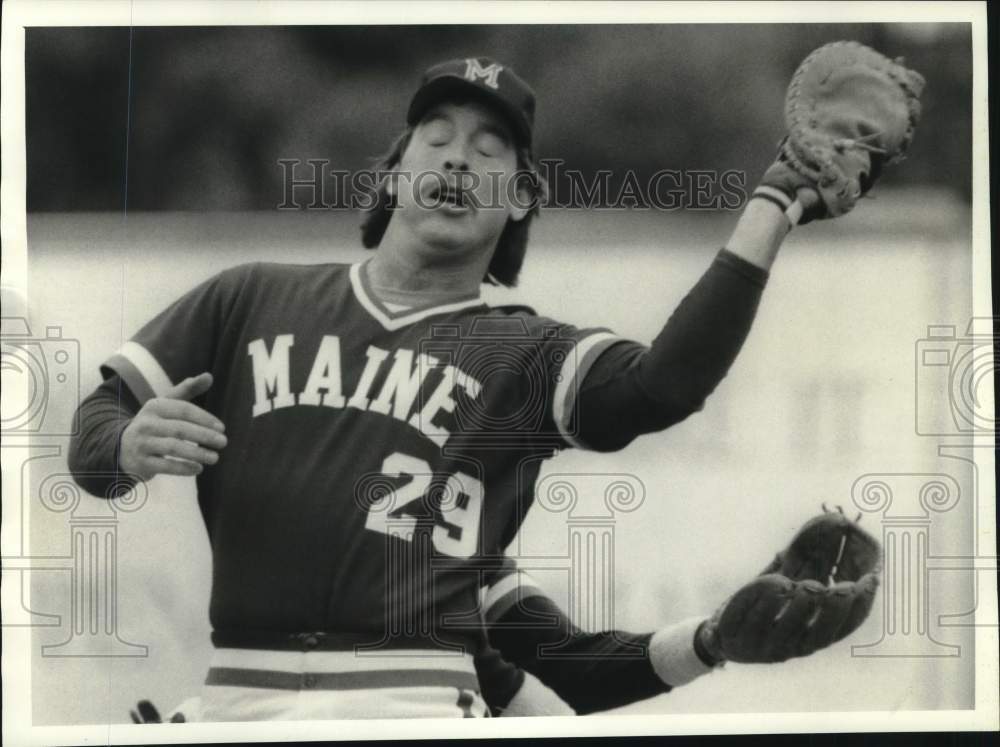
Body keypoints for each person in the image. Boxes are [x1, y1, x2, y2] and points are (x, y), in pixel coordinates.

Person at [69, 55, 850, 720]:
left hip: (412, 704)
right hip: (236, 699)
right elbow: (95, 433)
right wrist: (125, 445)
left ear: (517, 199)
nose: (456, 160)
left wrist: (771, 207)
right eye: (435, 138)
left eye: (488, 150)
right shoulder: (248, 298)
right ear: (396, 175)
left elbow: (660, 388)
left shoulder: (525, 353)